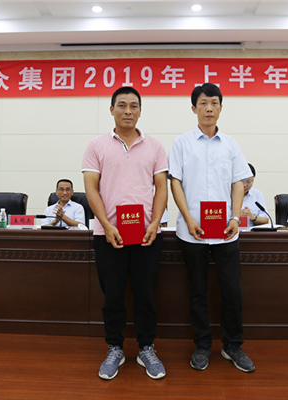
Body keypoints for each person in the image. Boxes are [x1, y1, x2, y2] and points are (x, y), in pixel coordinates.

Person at [82, 87, 168, 380]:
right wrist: (107, 225)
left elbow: (161, 188)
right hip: (107, 235)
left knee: (145, 294)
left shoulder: (155, 146)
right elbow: (91, 188)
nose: (128, 110)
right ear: (111, 110)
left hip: (146, 235)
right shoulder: (96, 145)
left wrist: (155, 223)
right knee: (113, 295)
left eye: (133, 106)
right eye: (122, 105)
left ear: (140, 111)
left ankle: (146, 348)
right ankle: (115, 348)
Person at [168, 83, 255, 373]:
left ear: (220, 107)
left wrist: (235, 217)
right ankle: (202, 345)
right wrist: (188, 218)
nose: (209, 108)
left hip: (226, 231)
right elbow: (175, 182)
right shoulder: (181, 143)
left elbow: (238, 183)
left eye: (214, 103)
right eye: (203, 103)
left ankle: (233, 345)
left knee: (232, 292)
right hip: (191, 231)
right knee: (198, 292)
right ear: (194, 108)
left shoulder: (230, 144)